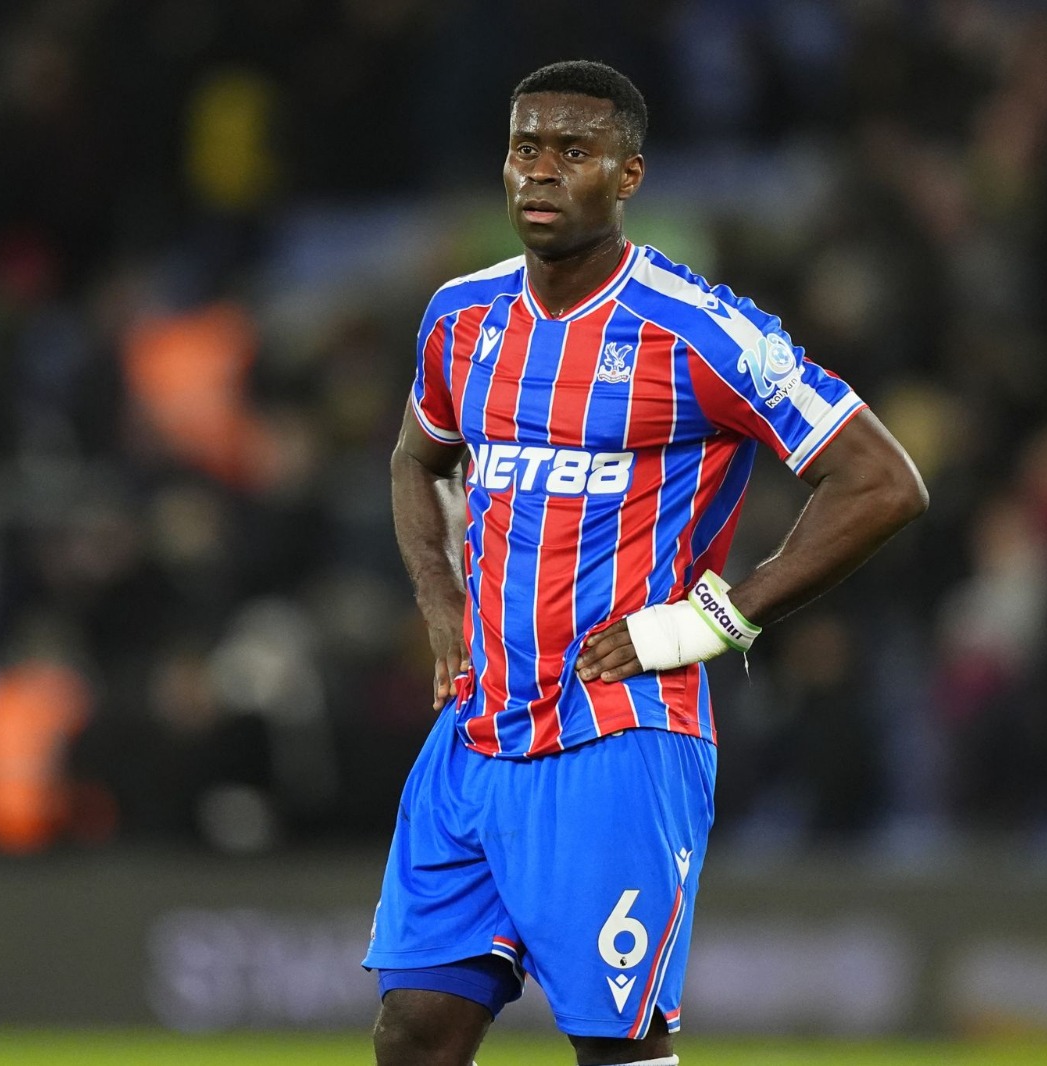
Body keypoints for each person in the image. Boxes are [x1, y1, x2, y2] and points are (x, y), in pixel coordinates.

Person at [365, 59, 928, 1066]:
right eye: (524, 148)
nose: (540, 172)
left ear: (628, 176)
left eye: (572, 151)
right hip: (476, 734)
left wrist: (722, 617)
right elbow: (419, 458)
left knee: (616, 1050)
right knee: (414, 1033)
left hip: (617, 736)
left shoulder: (699, 329)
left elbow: (881, 481)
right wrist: (441, 599)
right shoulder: (460, 317)